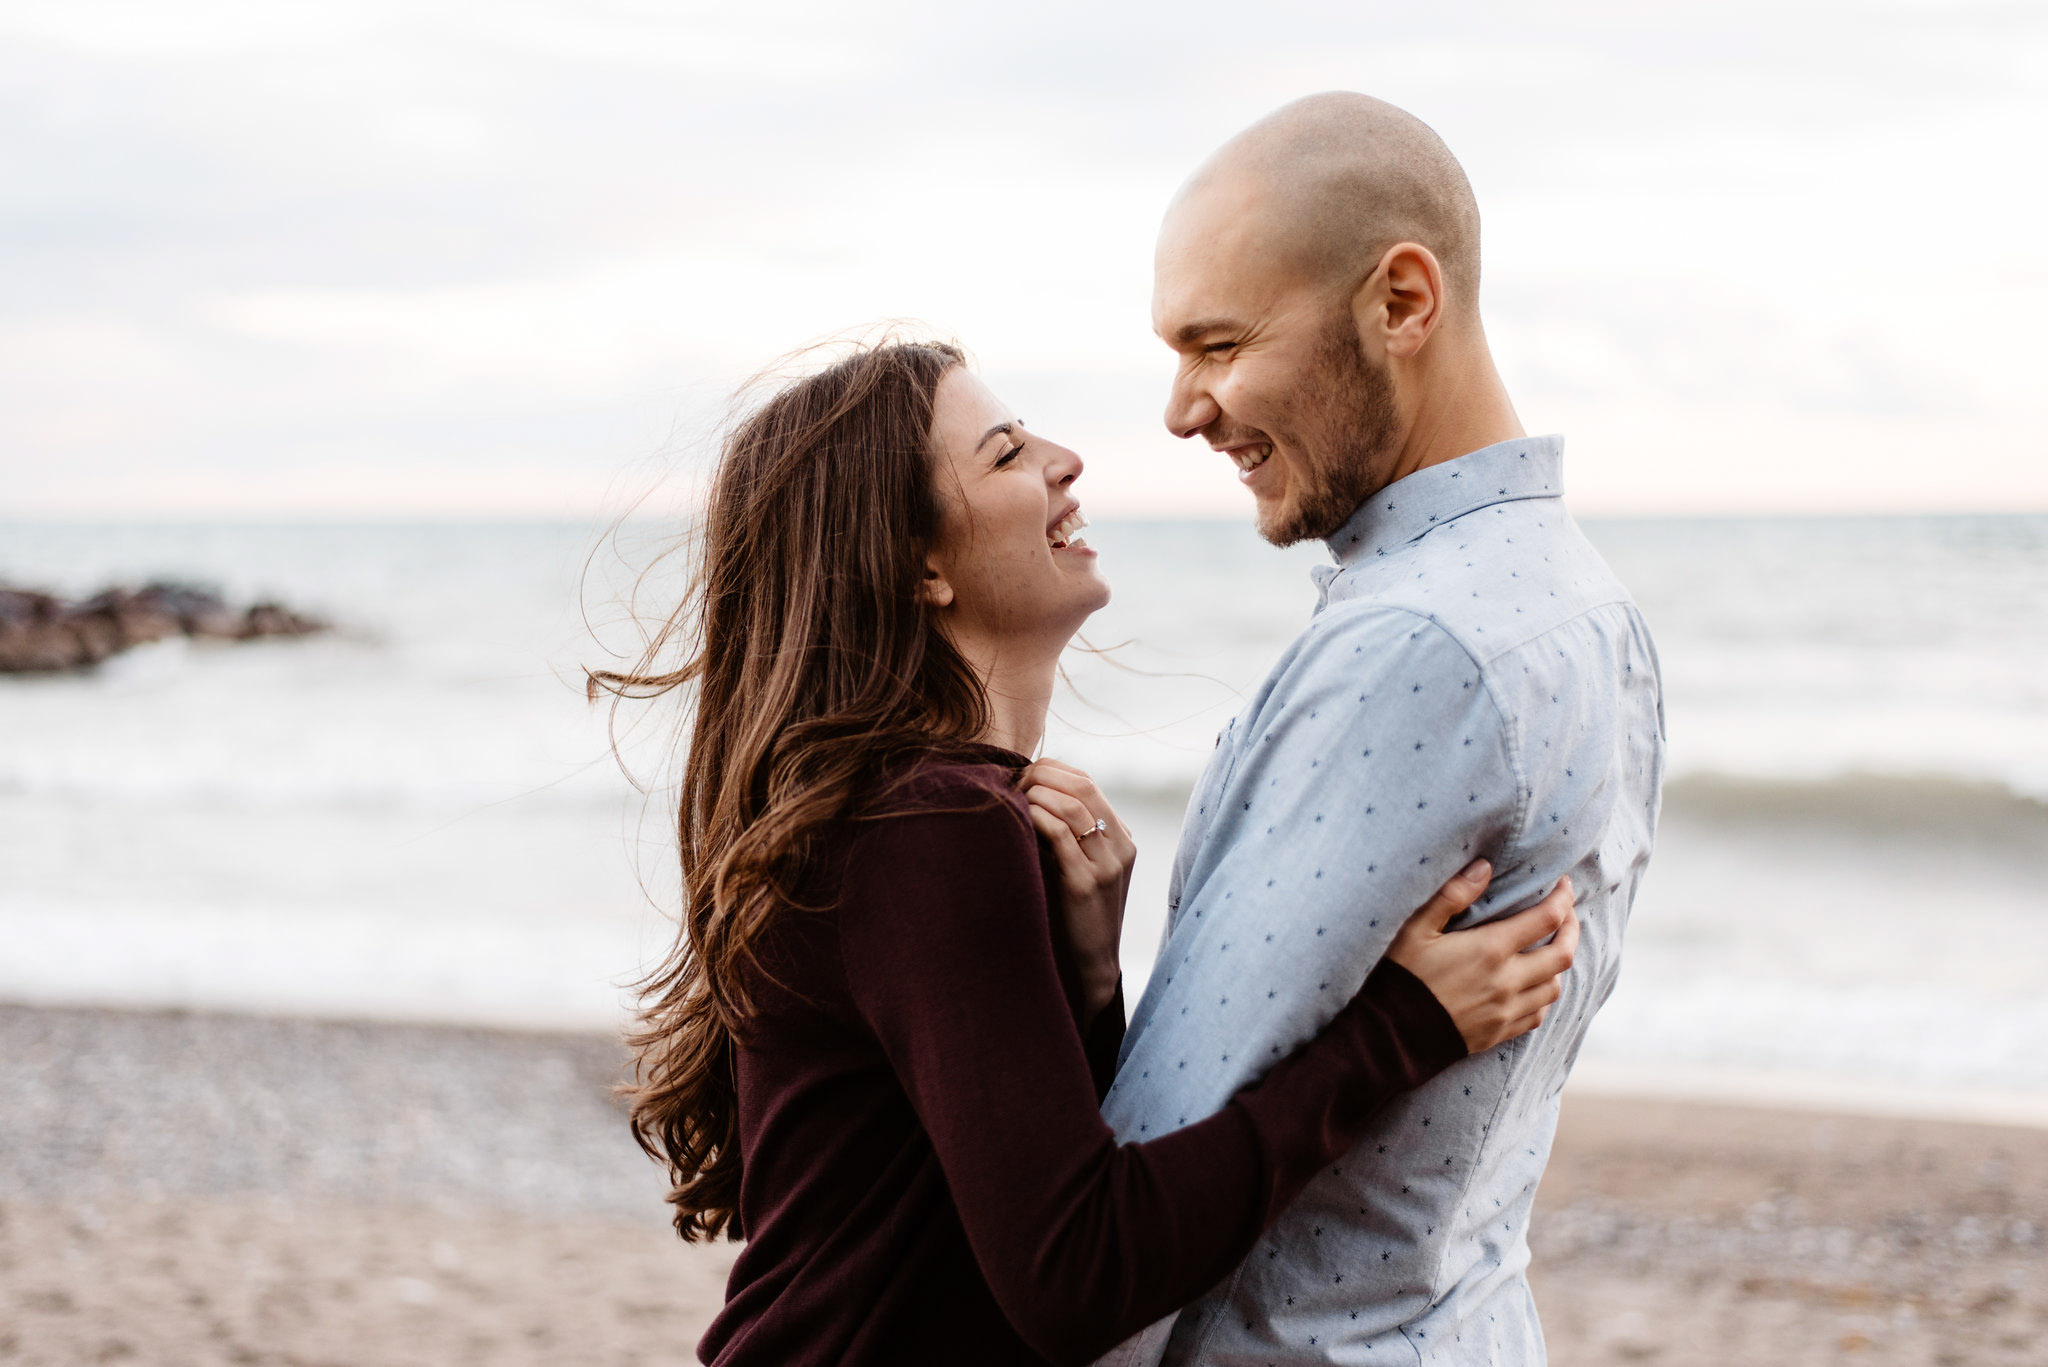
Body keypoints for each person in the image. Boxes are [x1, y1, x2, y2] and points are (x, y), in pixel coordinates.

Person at [591, 338, 1582, 1367]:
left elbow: (988, 1190)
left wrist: (1090, 975)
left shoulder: (917, 815)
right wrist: (1401, 1029)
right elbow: (1076, 1274)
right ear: (918, 564)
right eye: (1007, 451)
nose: (1066, 461)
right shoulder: (928, 826)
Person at [1092, 93, 1667, 1366]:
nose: (1182, 409)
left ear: (1401, 301)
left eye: (1218, 344)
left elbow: (1157, 1160)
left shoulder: (1416, 648)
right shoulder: (1589, 607)